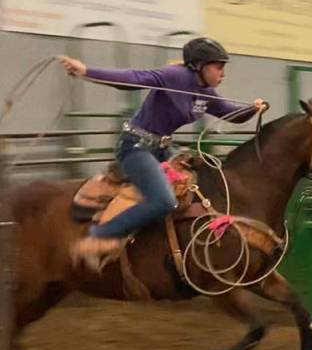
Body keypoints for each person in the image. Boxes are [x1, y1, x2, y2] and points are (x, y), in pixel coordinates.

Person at [59, 37, 268, 267]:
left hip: (163, 148)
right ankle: (101, 235)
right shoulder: (175, 76)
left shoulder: (205, 92)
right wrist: (86, 71)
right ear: (199, 65)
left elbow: (233, 115)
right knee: (164, 200)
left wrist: (252, 109)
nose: (223, 73)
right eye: (218, 66)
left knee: (207, 178)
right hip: (136, 146)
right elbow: (133, 79)